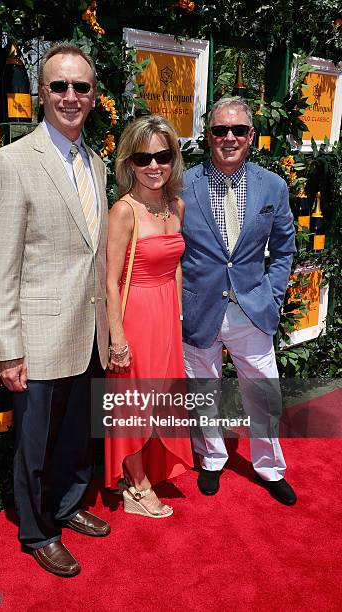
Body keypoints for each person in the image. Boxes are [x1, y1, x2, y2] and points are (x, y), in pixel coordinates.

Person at [0, 43, 110, 578]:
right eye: (59, 86)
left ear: (94, 96)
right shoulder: (10, 163)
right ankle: (38, 530)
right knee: (32, 448)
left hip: (87, 331)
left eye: (81, 87)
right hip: (36, 338)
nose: (70, 97)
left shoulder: (98, 164)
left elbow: (93, 253)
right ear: (40, 95)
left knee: (77, 438)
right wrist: (7, 350)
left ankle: (70, 503)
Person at [182, 97, 297, 505]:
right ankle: (212, 458)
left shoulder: (273, 186)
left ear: (251, 136)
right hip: (200, 309)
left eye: (237, 131)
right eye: (219, 130)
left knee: (264, 394)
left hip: (252, 308)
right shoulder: (183, 184)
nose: (228, 138)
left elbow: (284, 249)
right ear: (207, 135)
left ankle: (269, 467)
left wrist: (275, 295)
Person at [105, 115, 193, 518]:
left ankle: (147, 471)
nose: (154, 166)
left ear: (173, 158)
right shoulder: (123, 211)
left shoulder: (175, 205)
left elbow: (175, 263)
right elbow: (109, 281)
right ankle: (135, 486)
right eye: (144, 158)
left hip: (165, 318)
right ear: (130, 162)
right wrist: (117, 338)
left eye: (162, 155)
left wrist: (176, 314)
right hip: (136, 316)